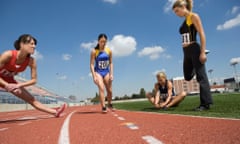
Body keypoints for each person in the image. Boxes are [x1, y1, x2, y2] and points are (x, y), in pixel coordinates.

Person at [0, 34, 66, 117]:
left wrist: (18, 85)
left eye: (34, 44)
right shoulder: (8, 55)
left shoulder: (31, 61)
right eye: (31, 44)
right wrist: (7, 85)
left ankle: (55, 112)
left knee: (31, 99)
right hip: (4, 81)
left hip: (10, 81)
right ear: (22, 44)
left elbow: (34, 80)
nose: (34, 46)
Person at [172, 0, 213, 111]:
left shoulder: (193, 16)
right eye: (174, 12)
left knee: (201, 76)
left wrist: (202, 52)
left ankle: (205, 104)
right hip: (186, 52)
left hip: (194, 48)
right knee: (187, 76)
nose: (176, 14)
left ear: (183, 6)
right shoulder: (185, 20)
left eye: (177, 11)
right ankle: (197, 63)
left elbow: (202, 33)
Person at [90, 33, 114, 113]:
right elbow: (92, 64)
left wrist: (111, 74)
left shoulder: (109, 51)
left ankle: (110, 103)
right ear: (98, 41)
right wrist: (94, 76)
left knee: (109, 90)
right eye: (101, 41)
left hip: (106, 72)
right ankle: (103, 107)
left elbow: (111, 63)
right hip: (98, 72)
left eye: (105, 42)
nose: (103, 43)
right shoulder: (94, 51)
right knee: (101, 87)